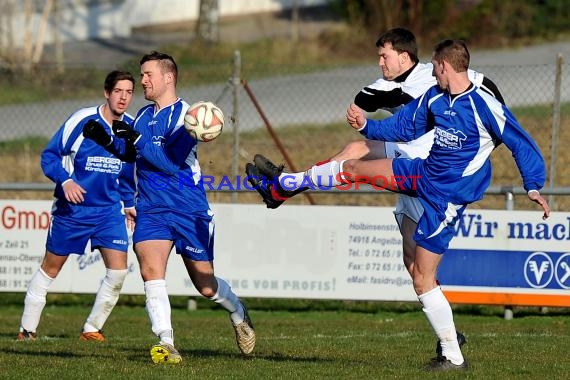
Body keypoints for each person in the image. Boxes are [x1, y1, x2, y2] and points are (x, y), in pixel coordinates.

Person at [252, 39, 550, 370]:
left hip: (446, 199)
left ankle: (452, 355)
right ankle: (284, 185)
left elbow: (521, 143)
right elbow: (405, 126)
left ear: (443, 66)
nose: (433, 72)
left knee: (422, 277)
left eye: (435, 66)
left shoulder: (483, 105)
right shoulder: (436, 97)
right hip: (420, 174)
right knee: (353, 168)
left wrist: (533, 186)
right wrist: (368, 126)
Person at [84, 51, 255, 364]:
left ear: (168, 78)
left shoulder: (188, 116)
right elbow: (133, 154)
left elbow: (168, 163)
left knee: (205, 285)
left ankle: (238, 311)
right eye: (143, 74)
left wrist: (134, 139)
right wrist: (109, 142)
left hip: (189, 210)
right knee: (150, 270)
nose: (143, 81)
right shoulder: (144, 117)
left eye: (148, 74)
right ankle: (167, 342)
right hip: (151, 209)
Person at [17, 70, 137, 342]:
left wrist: (129, 203)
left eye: (129, 92)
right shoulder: (81, 120)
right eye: (118, 91)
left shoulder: (130, 128)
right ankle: (27, 330)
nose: (123, 97)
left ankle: (91, 328)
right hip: (73, 212)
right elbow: (49, 156)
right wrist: (66, 181)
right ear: (107, 92)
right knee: (51, 269)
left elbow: (127, 171)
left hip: (109, 212)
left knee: (118, 272)